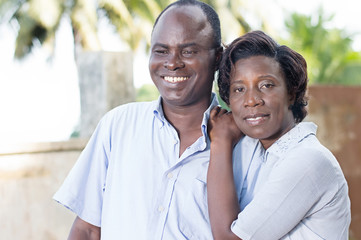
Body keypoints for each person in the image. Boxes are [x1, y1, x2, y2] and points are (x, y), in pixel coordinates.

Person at [53, 0, 245, 239]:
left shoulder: (244, 145)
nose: (172, 63)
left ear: (218, 57)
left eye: (188, 51)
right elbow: (88, 229)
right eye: (161, 51)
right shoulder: (118, 125)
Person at [207, 31, 351, 240]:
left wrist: (220, 140)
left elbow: (228, 238)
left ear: (291, 93)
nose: (251, 100)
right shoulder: (254, 150)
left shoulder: (308, 160)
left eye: (266, 85)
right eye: (239, 89)